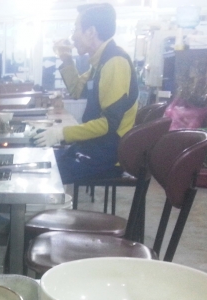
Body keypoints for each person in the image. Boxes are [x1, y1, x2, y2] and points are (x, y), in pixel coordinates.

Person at [33, 3, 138, 185]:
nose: (72, 37)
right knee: (42, 157)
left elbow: (109, 124)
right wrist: (66, 58)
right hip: (95, 146)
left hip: (109, 154)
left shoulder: (115, 62)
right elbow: (76, 90)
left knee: (41, 172)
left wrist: (62, 133)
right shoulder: (100, 62)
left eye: (76, 29)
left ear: (91, 32)